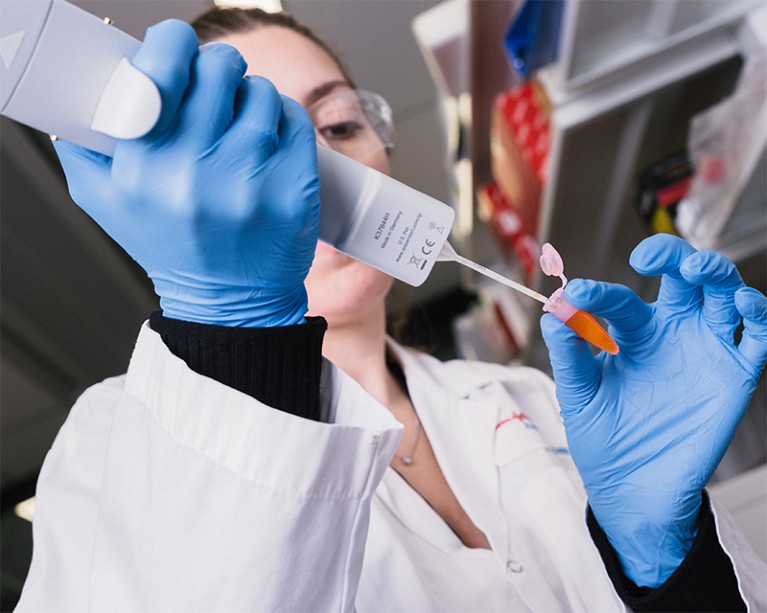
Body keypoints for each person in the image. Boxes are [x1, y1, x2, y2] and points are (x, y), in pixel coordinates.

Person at [16, 6, 767, 612]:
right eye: (260, 148)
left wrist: (669, 565)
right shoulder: (114, 447)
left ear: (382, 148)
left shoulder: (529, 401)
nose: (309, 177)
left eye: (337, 125)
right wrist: (232, 331)